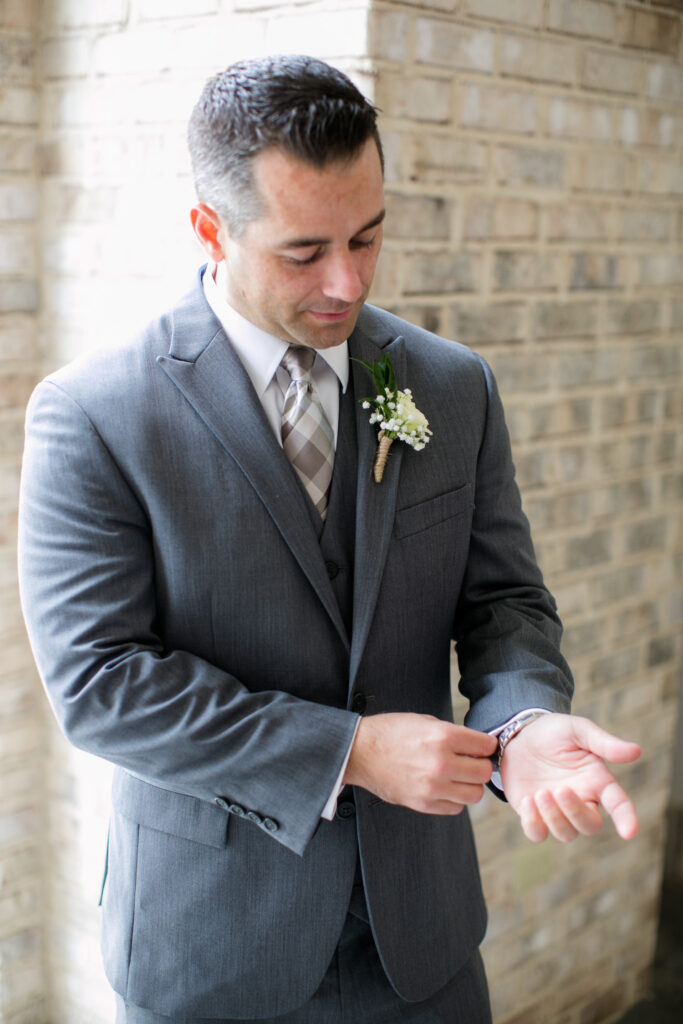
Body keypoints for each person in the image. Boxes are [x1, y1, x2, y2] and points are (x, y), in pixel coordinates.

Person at [18, 55, 641, 1024]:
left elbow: (502, 602)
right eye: (302, 251)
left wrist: (521, 719)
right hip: (210, 952)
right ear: (208, 229)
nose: (344, 282)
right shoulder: (96, 414)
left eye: (367, 235)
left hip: (423, 944)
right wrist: (348, 752)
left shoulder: (448, 384)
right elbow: (101, 684)